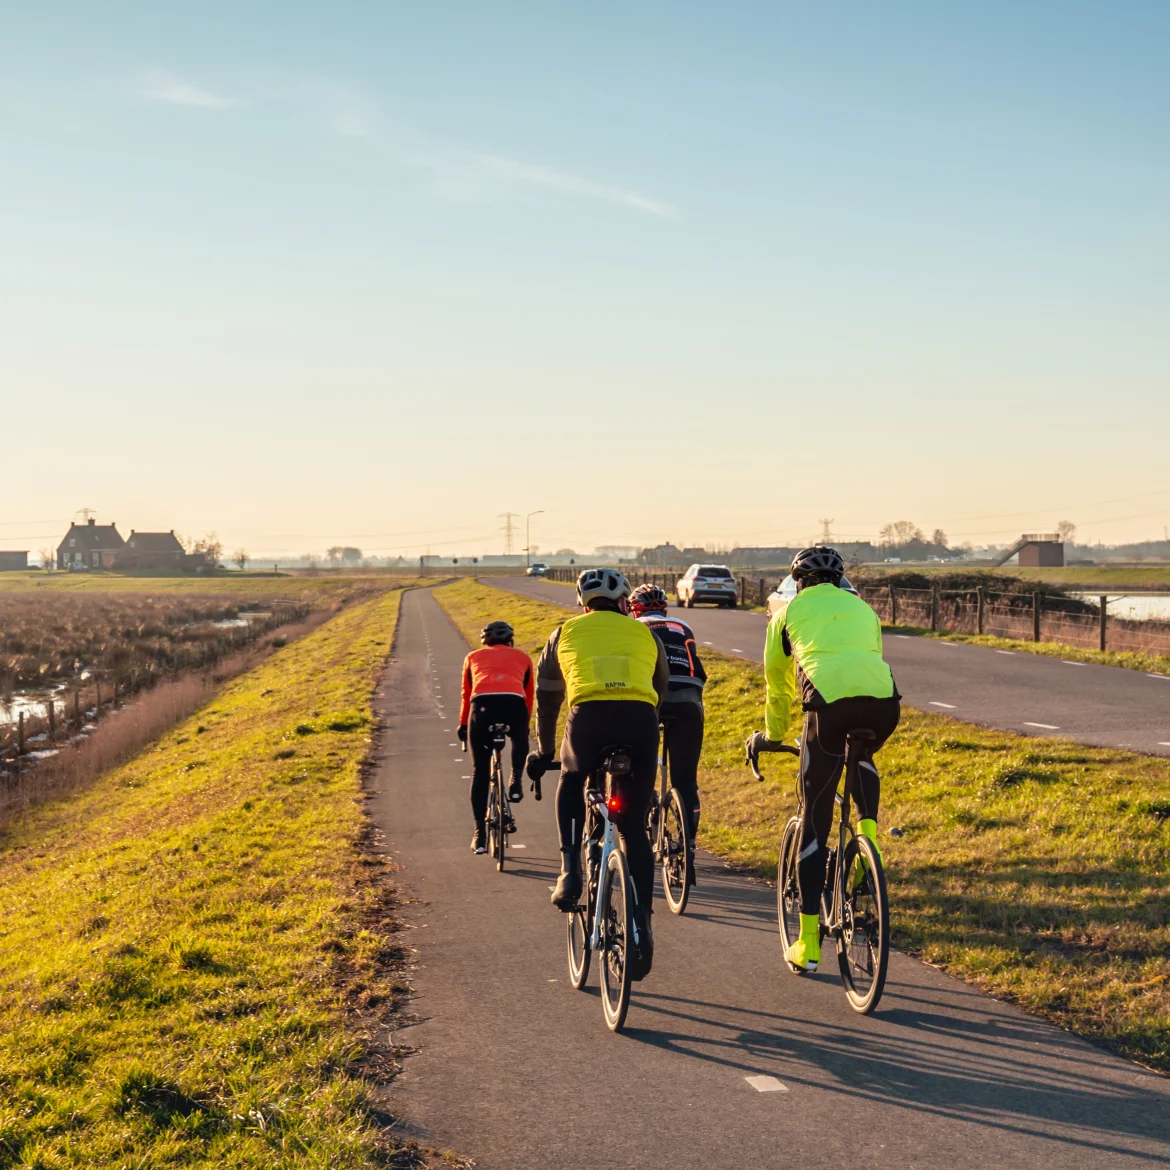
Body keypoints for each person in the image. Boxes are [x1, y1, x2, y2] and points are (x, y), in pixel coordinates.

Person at [746, 546, 900, 974]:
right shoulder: (864, 609)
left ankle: (808, 943)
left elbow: (777, 687)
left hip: (828, 707)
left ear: (799, 581)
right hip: (884, 704)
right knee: (863, 754)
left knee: (815, 819)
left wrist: (772, 736)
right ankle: (868, 843)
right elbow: (867, 658)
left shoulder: (786, 615)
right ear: (839, 580)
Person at [528, 568, 669, 979]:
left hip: (589, 718)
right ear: (625, 601)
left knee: (572, 780)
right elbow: (659, 688)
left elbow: (548, 696)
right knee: (633, 830)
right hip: (639, 720)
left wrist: (546, 749)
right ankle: (640, 921)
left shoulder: (563, 633)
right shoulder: (646, 633)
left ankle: (571, 871)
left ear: (581, 602)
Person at [628, 583, 706, 883]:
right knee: (685, 781)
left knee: (640, 770)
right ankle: (686, 850)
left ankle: (641, 817)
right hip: (690, 699)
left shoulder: (633, 628)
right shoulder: (682, 625)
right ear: (663, 608)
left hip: (652, 698)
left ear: (633, 608)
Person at [458, 620, 533, 856]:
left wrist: (462, 725)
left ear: (486, 642)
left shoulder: (473, 657)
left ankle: (479, 834)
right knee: (520, 739)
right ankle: (516, 780)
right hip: (514, 705)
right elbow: (528, 694)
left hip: (482, 708)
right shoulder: (523, 657)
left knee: (480, 771)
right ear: (510, 641)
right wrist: (524, 725)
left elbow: (466, 693)